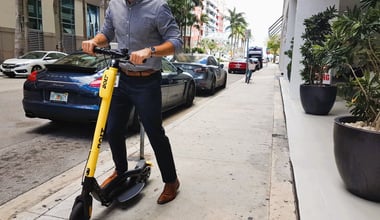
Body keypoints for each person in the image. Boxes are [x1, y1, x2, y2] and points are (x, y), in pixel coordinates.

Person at [81, 0, 182, 204]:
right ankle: (120, 171)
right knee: (113, 129)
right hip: (121, 77)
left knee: (155, 133)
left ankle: (171, 181)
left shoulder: (157, 7)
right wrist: (94, 41)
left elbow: (176, 42)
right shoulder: (115, 5)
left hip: (147, 80)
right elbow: (107, 33)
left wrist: (150, 51)